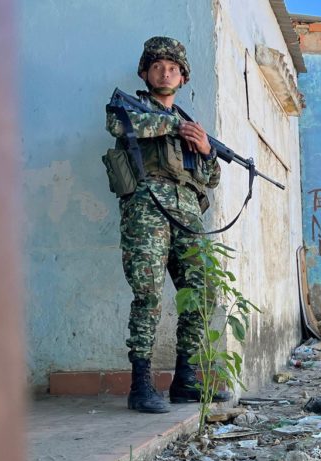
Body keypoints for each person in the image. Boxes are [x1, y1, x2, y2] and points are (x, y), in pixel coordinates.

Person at [106, 36, 230, 413]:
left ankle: (185, 380)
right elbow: (119, 125)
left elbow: (210, 179)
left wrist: (206, 149)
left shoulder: (189, 122)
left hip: (187, 213)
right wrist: (172, 128)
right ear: (145, 72)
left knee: (202, 291)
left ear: (183, 79)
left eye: (173, 68)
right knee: (148, 294)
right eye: (158, 66)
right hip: (147, 208)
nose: (165, 72)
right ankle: (141, 384)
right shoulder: (129, 108)